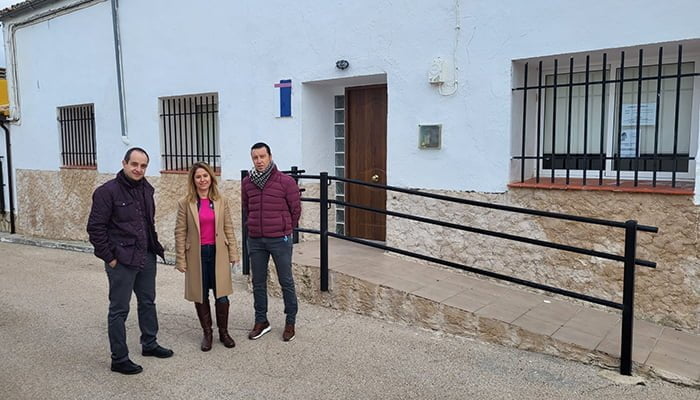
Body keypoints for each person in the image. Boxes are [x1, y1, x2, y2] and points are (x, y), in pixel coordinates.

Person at [86, 147, 173, 375]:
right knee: (119, 310)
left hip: (146, 255)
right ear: (124, 163)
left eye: (143, 166)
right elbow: (95, 229)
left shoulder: (147, 189)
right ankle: (119, 358)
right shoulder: (106, 192)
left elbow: (147, 223)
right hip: (122, 260)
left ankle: (150, 344)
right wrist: (110, 258)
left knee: (148, 302)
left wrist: (152, 250)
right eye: (134, 164)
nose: (138, 169)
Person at [174, 162, 240, 351]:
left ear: (211, 177)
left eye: (205, 176)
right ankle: (207, 333)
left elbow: (228, 227)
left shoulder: (221, 200)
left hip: (219, 252)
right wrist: (180, 259)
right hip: (197, 254)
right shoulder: (185, 202)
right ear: (193, 180)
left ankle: (224, 333)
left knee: (222, 295)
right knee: (200, 295)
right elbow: (180, 231)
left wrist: (234, 253)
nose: (202, 180)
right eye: (198, 177)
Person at [242, 142, 301, 341]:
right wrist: (251, 227)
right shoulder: (247, 183)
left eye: (262, 156)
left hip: (279, 240)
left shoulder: (286, 182)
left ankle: (290, 321)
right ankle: (261, 321)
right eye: (255, 157)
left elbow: (295, 210)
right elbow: (247, 208)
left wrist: (286, 229)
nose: (259, 161)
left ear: (270, 156)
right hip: (256, 240)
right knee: (258, 282)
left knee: (286, 281)